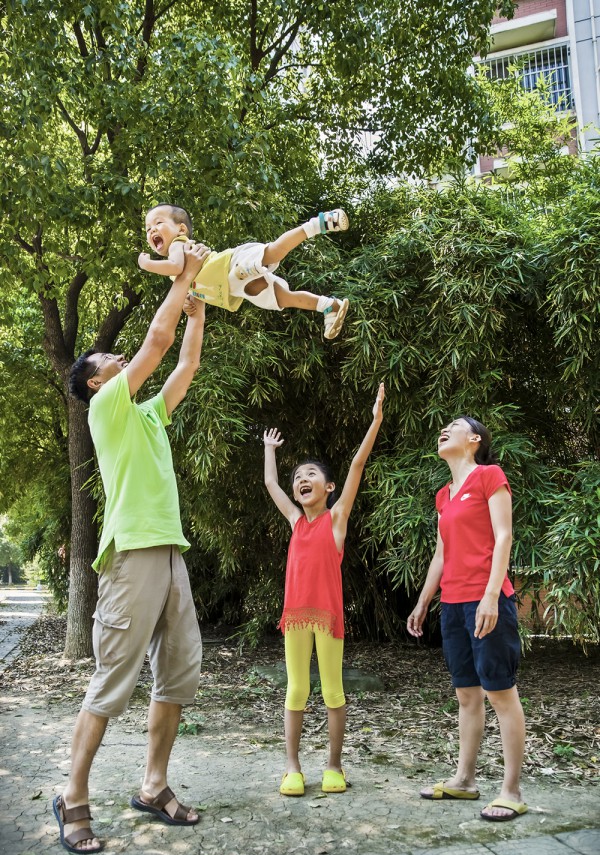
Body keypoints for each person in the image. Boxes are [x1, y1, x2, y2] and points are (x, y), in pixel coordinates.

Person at [54, 243, 211, 854]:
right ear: (97, 382)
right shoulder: (106, 409)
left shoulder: (144, 416)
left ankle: (153, 785)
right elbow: (155, 342)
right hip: (132, 557)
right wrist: (186, 277)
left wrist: (197, 313)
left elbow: (183, 366)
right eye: (111, 360)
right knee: (111, 684)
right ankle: (73, 796)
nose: (123, 361)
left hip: (171, 553)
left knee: (177, 676)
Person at [263, 383, 385, 796]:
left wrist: (376, 421)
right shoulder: (296, 521)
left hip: (328, 616)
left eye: (310, 474)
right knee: (297, 688)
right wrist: (269, 451)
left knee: (332, 688)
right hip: (296, 617)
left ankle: (334, 765)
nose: (301, 480)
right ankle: (292, 767)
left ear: (328, 488)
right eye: (298, 477)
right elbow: (271, 487)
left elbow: (355, 466)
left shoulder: (336, 520)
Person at [407, 417, 527, 822]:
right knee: (467, 695)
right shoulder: (445, 495)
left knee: (500, 693)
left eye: (454, 425)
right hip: (454, 605)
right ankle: (465, 780)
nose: (443, 428)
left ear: (474, 440)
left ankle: (511, 790)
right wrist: (424, 601)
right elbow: (441, 554)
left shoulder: (489, 476)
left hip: (487, 599)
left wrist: (492, 595)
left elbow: (503, 536)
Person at [139, 203, 350, 340]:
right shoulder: (173, 270)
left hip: (230, 265)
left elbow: (176, 266)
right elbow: (186, 282)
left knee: (273, 253)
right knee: (284, 299)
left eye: (158, 223)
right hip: (236, 286)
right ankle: (329, 305)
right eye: (148, 229)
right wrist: (187, 300)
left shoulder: (178, 245)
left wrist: (147, 265)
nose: (152, 230)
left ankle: (318, 223)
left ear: (181, 229)